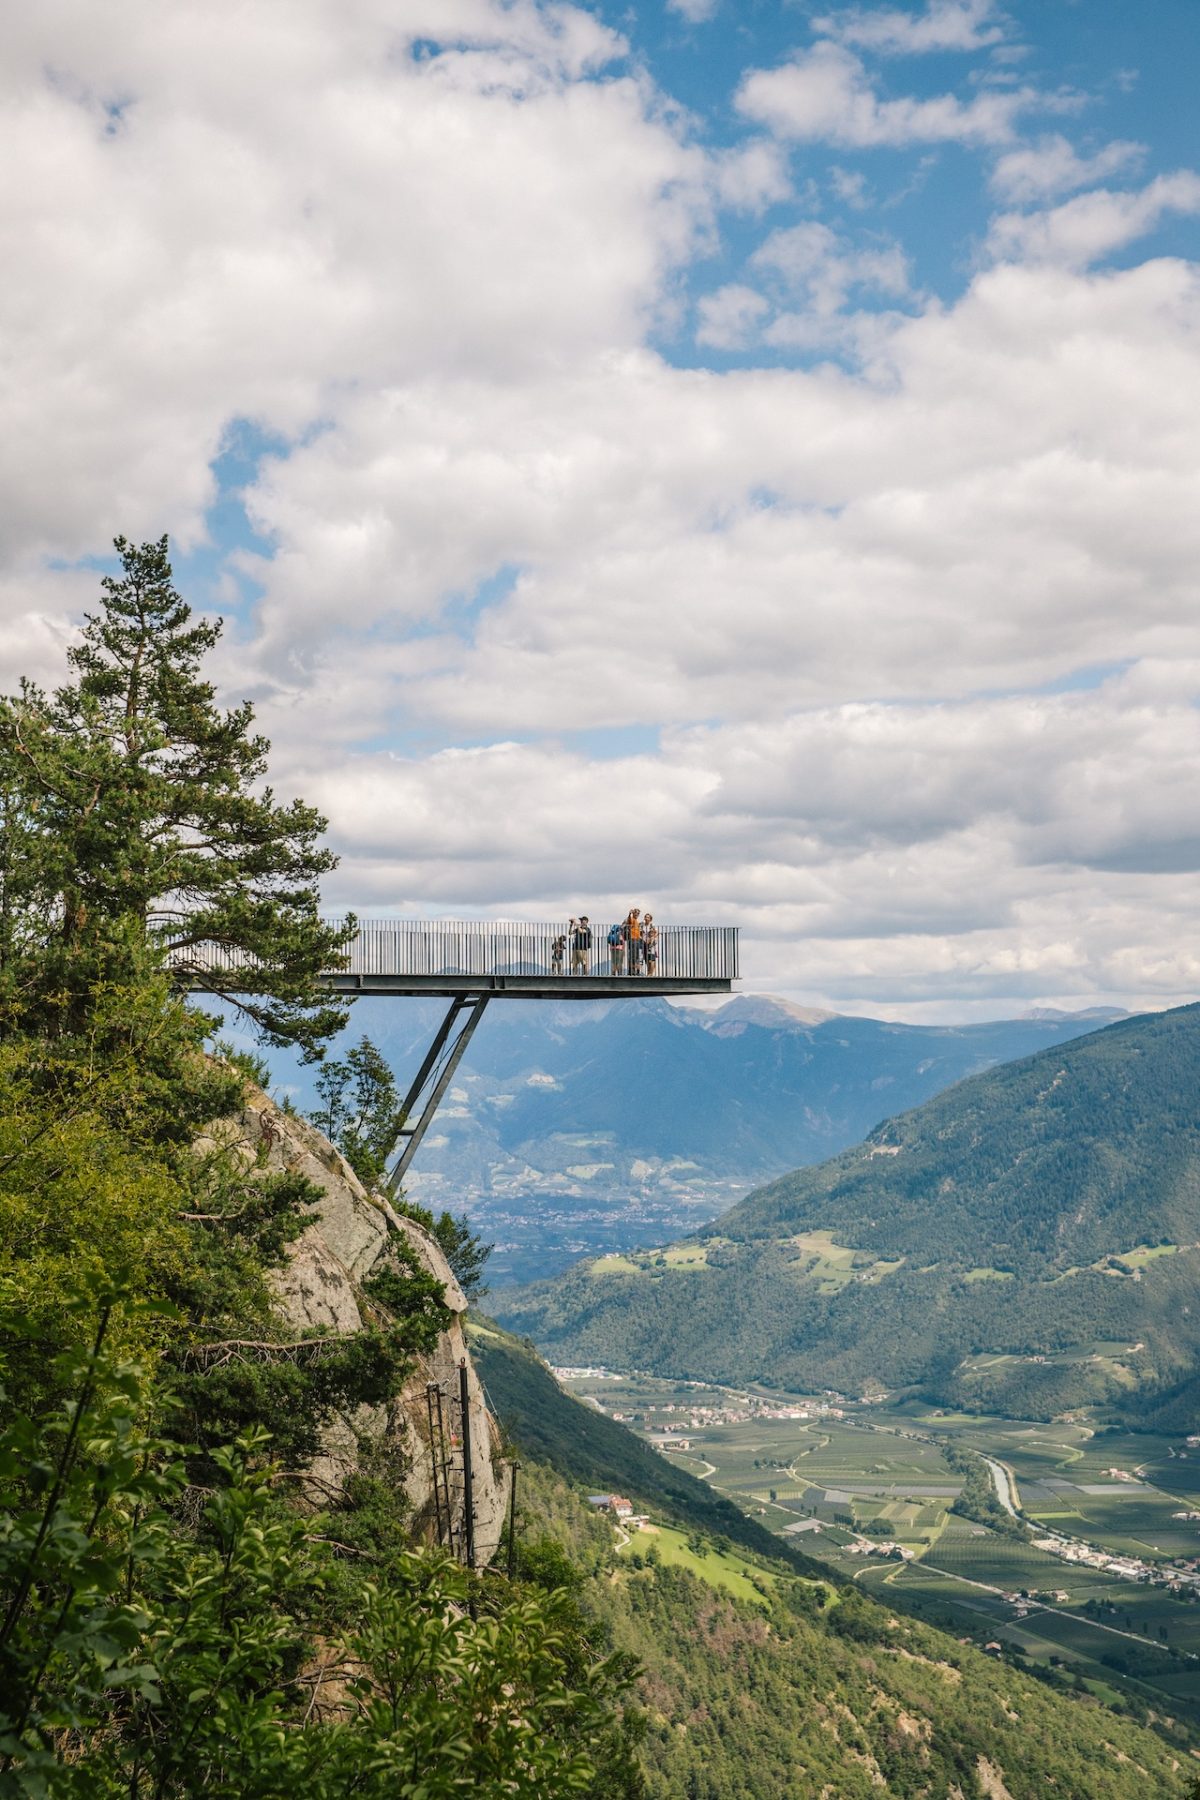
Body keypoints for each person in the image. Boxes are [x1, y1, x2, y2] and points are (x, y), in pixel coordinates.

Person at [625, 907, 642, 973]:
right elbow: (628, 921)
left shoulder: (637, 921)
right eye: (636, 913)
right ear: (633, 913)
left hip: (637, 939)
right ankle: (631, 971)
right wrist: (629, 914)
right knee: (632, 956)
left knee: (636, 956)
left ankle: (636, 970)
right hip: (632, 939)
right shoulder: (632, 919)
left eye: (638, 913)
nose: (637, 914)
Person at [643, 912, 659, 977]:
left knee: (652, 959)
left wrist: (652, 939)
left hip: (652, 945)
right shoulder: (642, 925)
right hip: (645, 944)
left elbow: (657, 933)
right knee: (647, 960)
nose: (646, 918)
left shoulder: (652, 925)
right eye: (646, 917)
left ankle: (650, 974)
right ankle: (649, 972)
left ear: (650, 919)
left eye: (648, 917)